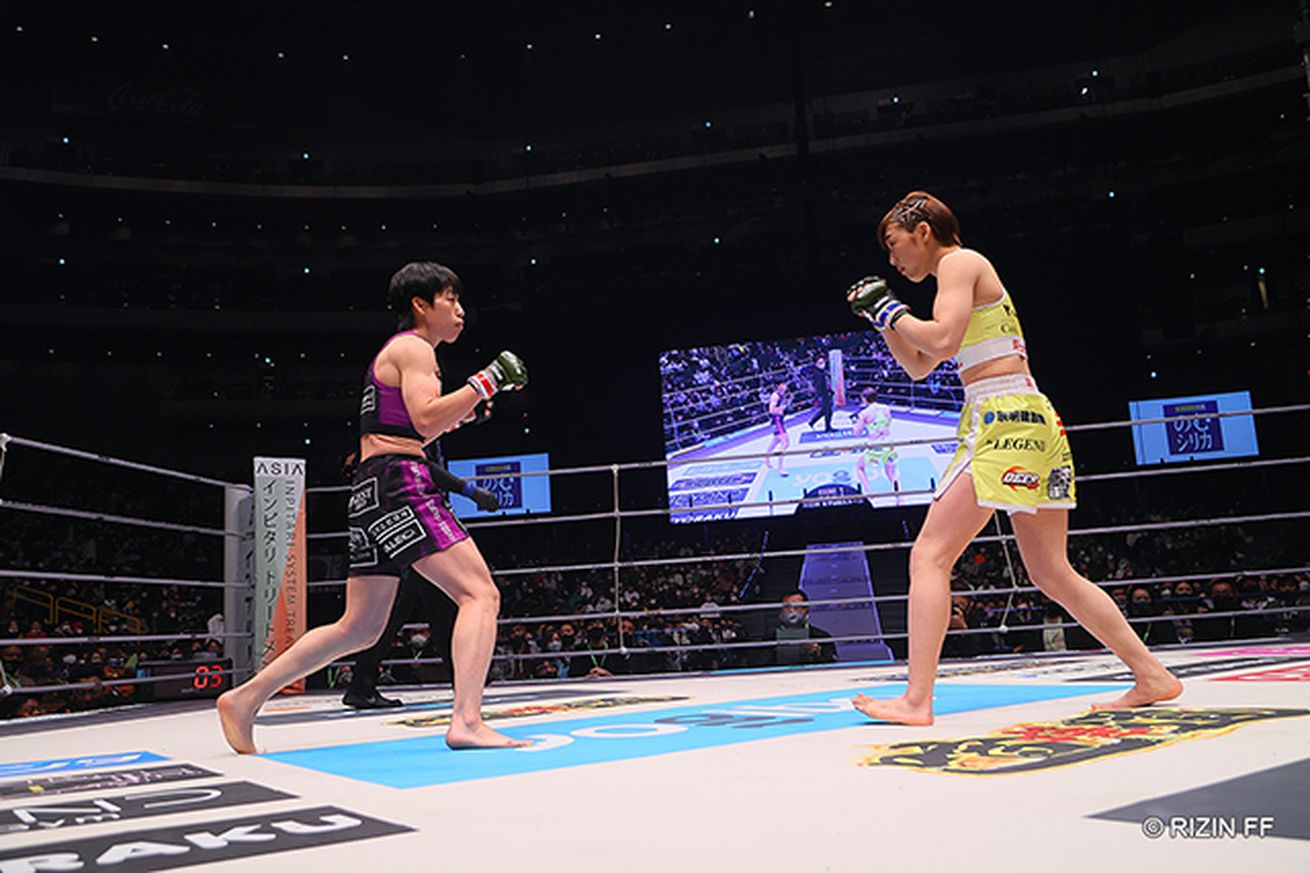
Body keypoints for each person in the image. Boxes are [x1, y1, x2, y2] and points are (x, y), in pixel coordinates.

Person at [847, 192, 1182, 725]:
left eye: (894, 244)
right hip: (1031, 417)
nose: (892, 260)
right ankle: (1152, 674)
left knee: (929, 556)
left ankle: (916, 700)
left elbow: (942, 339)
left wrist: (893, 310)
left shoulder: (959, 262)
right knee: (1052, 572)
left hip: (1001, 418)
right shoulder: (957, 277)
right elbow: (919, 365)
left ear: (923, 232)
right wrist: (884, 321)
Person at [218, 261, 530, 752]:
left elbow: (411, 424)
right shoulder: (414, 347)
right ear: (420, 304)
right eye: (451, 299)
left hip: (371, 488)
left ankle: (244, 698)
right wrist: (485, 381)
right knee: (480, 594)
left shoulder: (400, 353)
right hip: (400, 482)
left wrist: (469, 410)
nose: (460, 311)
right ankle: (467, 721)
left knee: (359, 627)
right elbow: (424, 422)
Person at [851, 386, 902, 505]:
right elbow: (888, 422)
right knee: (891, 473)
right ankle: (900, 496)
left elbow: (857, 432)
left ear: (864, 399)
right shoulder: (886, 408)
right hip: (888, 443)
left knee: (859, 467)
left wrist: (855, 423)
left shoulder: (864, 413)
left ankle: (869, 494)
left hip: (875, 447)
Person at [768, 590, 838, 666]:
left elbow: (832, 666)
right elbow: (762, 665)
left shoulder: (822, 637)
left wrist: (816, 653)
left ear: (806, 611)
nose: (791, 611)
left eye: (796, 607)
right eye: (787, 607)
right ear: (780, 610)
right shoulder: (770, 639)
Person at [764, 382, 791, 476]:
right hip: (777, 420)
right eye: (783, 384)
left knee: (776, 440)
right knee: (785, 442)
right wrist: (782, 408)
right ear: (778, 385)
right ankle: (780, 467)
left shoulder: (782, 395)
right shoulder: (775, 396)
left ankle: (766, 458)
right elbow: (771, 410)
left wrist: (786, 404)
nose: (785, 386)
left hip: (780, 420)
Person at [806, 355, 834, 432]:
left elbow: (826, 382)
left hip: (826, 392)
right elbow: (818, 386)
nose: (822, 364)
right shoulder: (817, 373)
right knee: (828, 411)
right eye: (820, 363)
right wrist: (818, 396)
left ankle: (812, 422)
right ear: (816, 363)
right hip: (823, 394)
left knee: (825, 410)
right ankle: (828, 428)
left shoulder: (822, 371)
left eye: (823, 362)